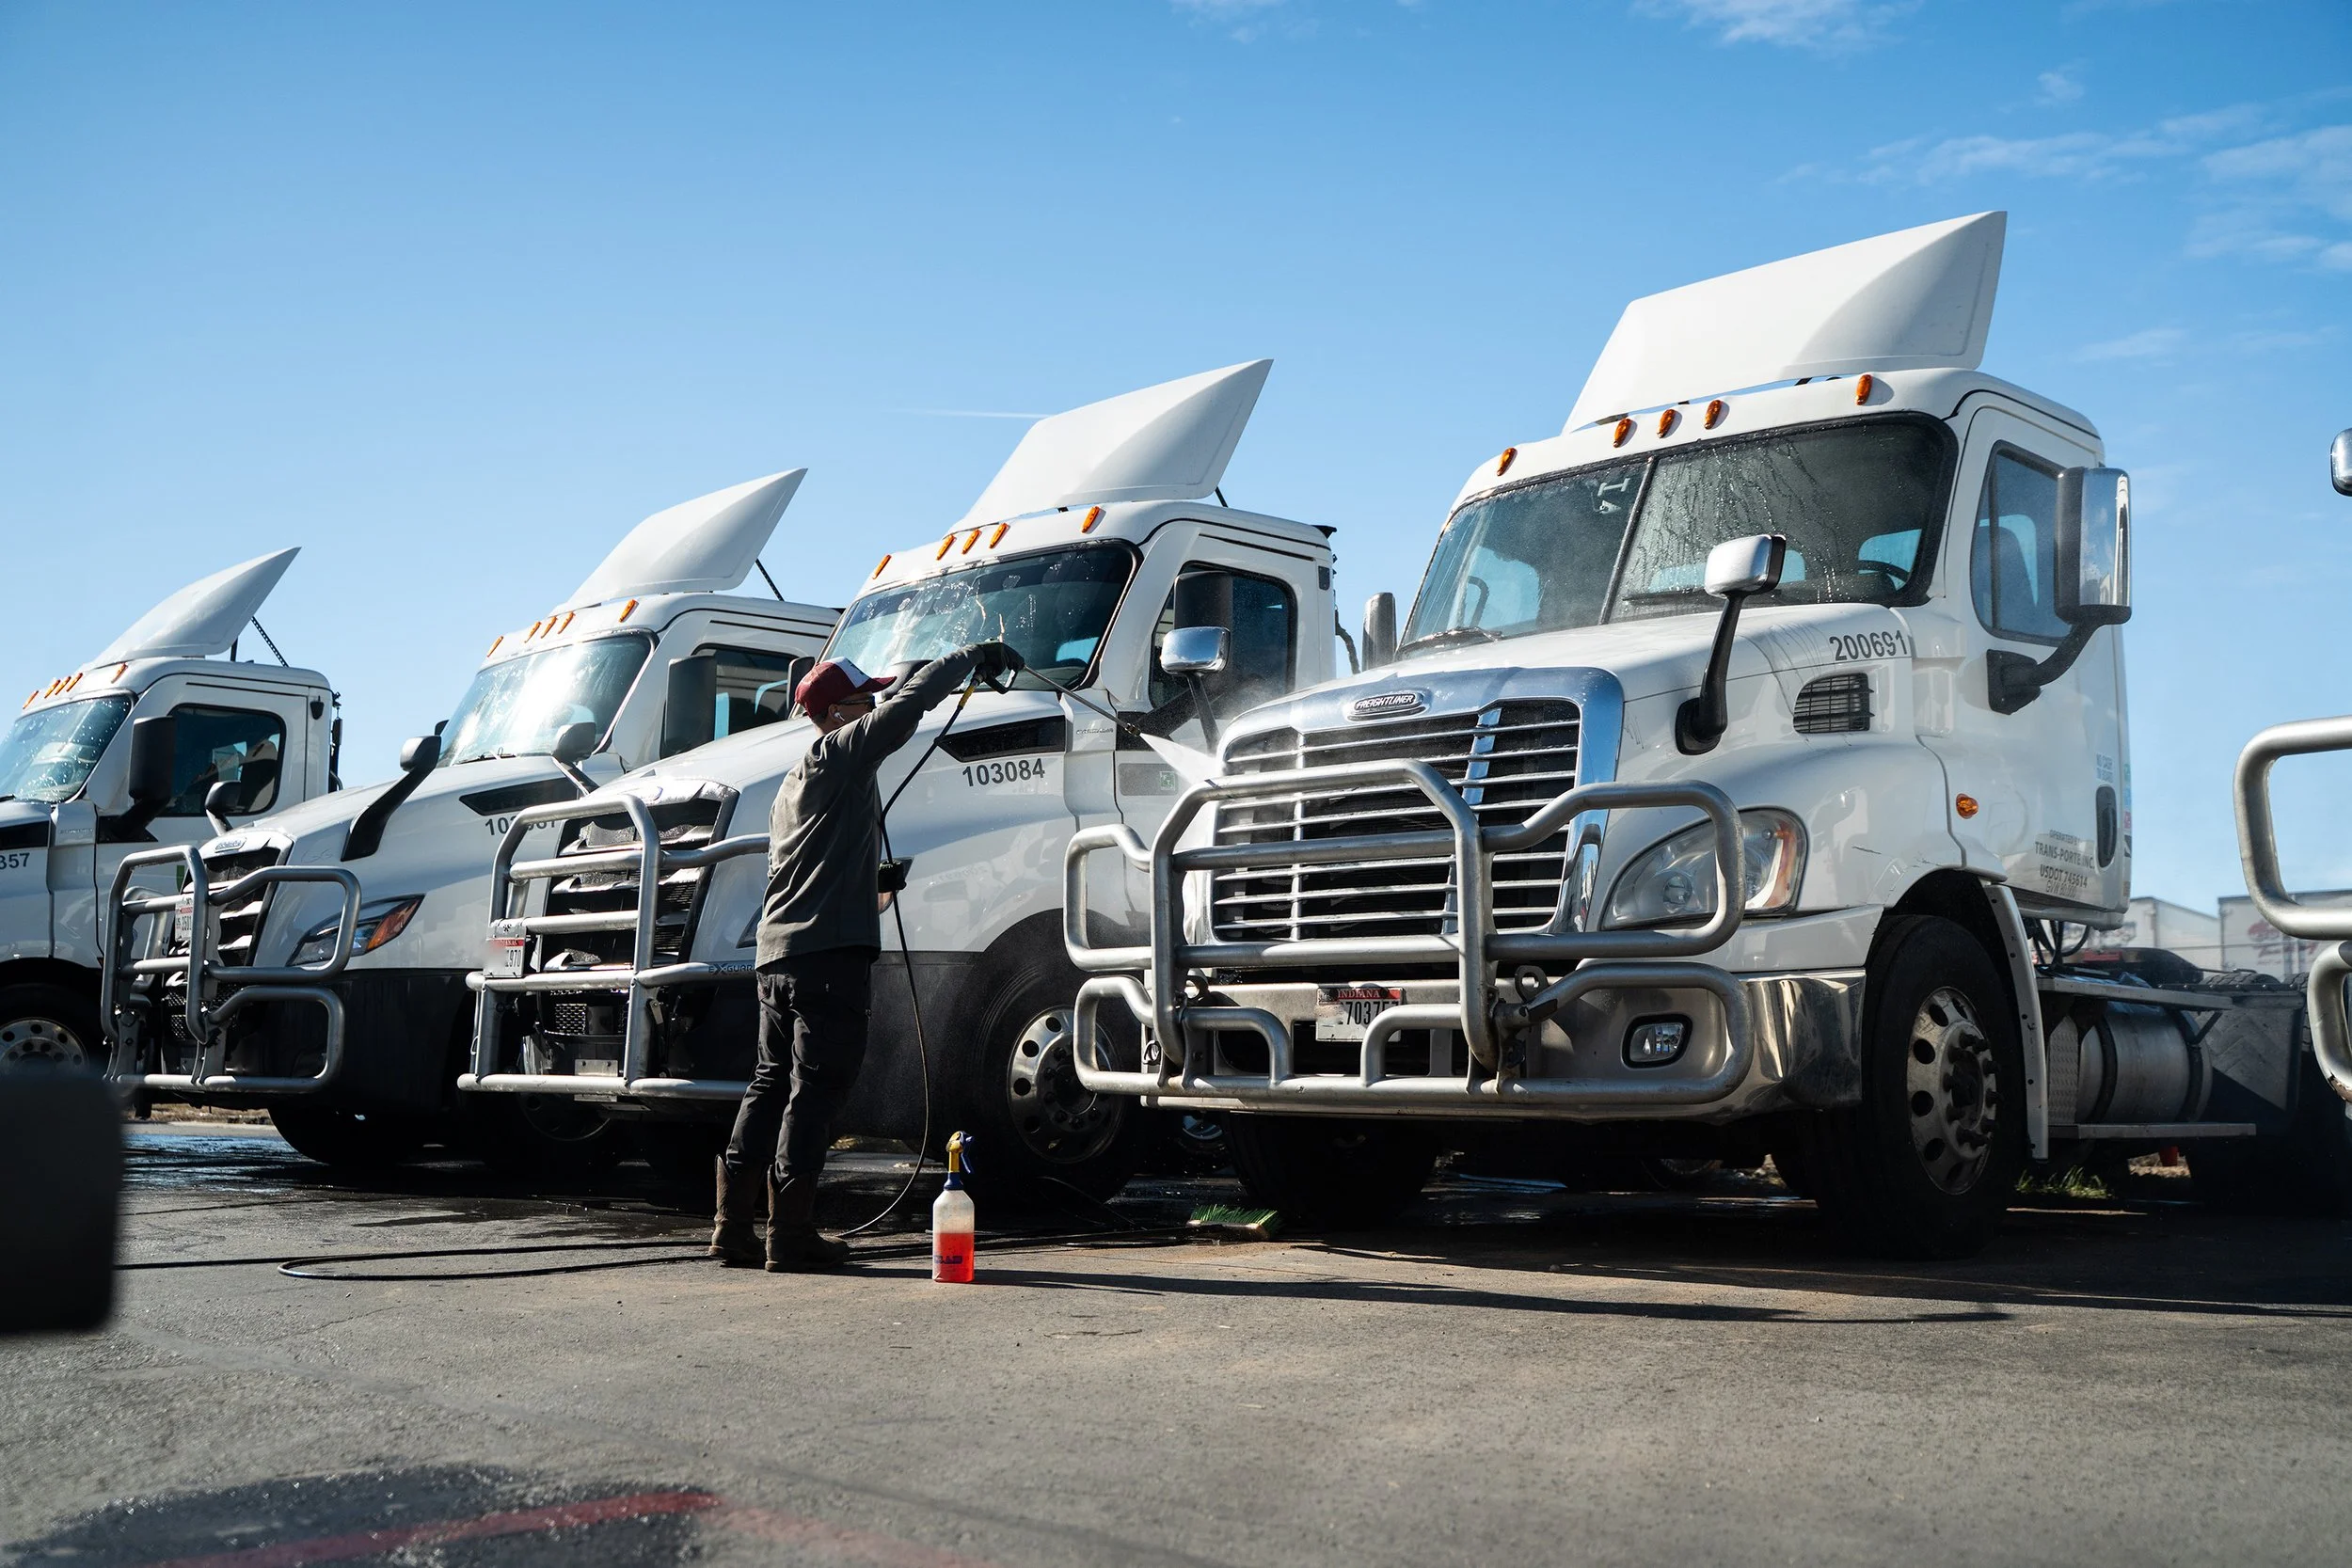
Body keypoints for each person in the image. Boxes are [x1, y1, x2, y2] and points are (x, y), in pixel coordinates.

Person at [711, 640, 1022, 1272]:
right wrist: (973, 655)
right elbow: (911, 704)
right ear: (834, 714)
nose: (875, 707)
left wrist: (869, 885)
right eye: (864, 702)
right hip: (827, 958)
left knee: (770, 1083)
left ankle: (732, 1226)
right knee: (814, 1090)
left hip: (778, 955)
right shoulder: (838, 752)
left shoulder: (792, 785)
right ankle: (790, 1235)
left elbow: (801, 872)